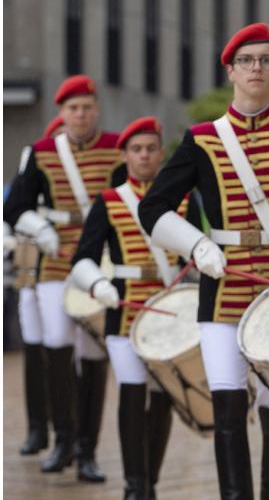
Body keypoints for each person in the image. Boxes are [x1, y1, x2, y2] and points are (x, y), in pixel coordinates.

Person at [139, 23, 269, 500]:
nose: (255, 68)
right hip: (220, 295)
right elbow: (153, 207)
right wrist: (196, 244)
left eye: (265, 60)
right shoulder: (201, 139)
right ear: (231, 72)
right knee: (227, 410)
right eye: (246, 61)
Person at [4, 75, 123, 481]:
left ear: (96, 109)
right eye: (73, 108)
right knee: (55, 343)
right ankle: (62, 439)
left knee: (92, 355)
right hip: (55, 263)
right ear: (62, 113)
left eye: (87, 106)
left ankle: (88, 449)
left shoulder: (115, 149)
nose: (81, 114)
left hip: (101, 260)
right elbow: (15, 206)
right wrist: (39, 229)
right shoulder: (41, 153)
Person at [71, 117, 195, 499]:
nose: (144, 156)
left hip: (168, 310)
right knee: (130, 390)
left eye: (150, 149)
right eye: (136, 150)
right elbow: (83, 258)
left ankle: (151, 482)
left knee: (161, 397)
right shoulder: (108, 201)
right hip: (122, 311)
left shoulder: (186, 199)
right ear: (124, 156)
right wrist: (98, 284)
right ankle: (134, 484)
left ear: (161, 153)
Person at [8, 115, 65, 457]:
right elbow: (11, 212)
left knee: (65, 357)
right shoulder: (30, 175)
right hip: (31, 272)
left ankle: (66, 432)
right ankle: (36, 428)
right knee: (34, 350)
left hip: (63, 272)